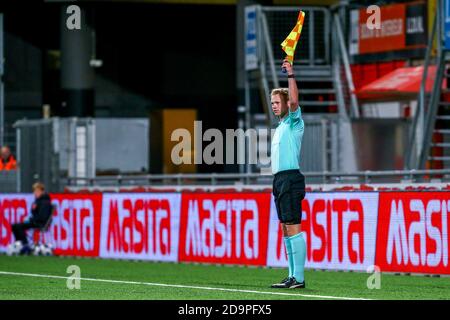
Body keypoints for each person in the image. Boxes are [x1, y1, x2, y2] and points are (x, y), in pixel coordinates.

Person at [270, 59, 306, 289]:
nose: (273, 105)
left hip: (290, 179)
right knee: (285, 227)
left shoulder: (294, 121)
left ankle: (299, 278)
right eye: (271, 102)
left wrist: (290, 74)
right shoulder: (282, 125)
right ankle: (292, 275)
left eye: (276, 102)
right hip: (280, 180)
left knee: (293, 226)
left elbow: (294, 100)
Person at [11, 182, 53, 255]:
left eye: (37, 191)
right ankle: (20, 244)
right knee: (15, 226)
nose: (35, 193)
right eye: (34, 191)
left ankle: (25, 245)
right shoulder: (38, 201)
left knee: (18, 227)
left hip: (39, 223)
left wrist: (30, 220)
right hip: (35, 221)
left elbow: (42, 217)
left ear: (42, 191)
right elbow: (35, 213)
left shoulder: (45, 202)